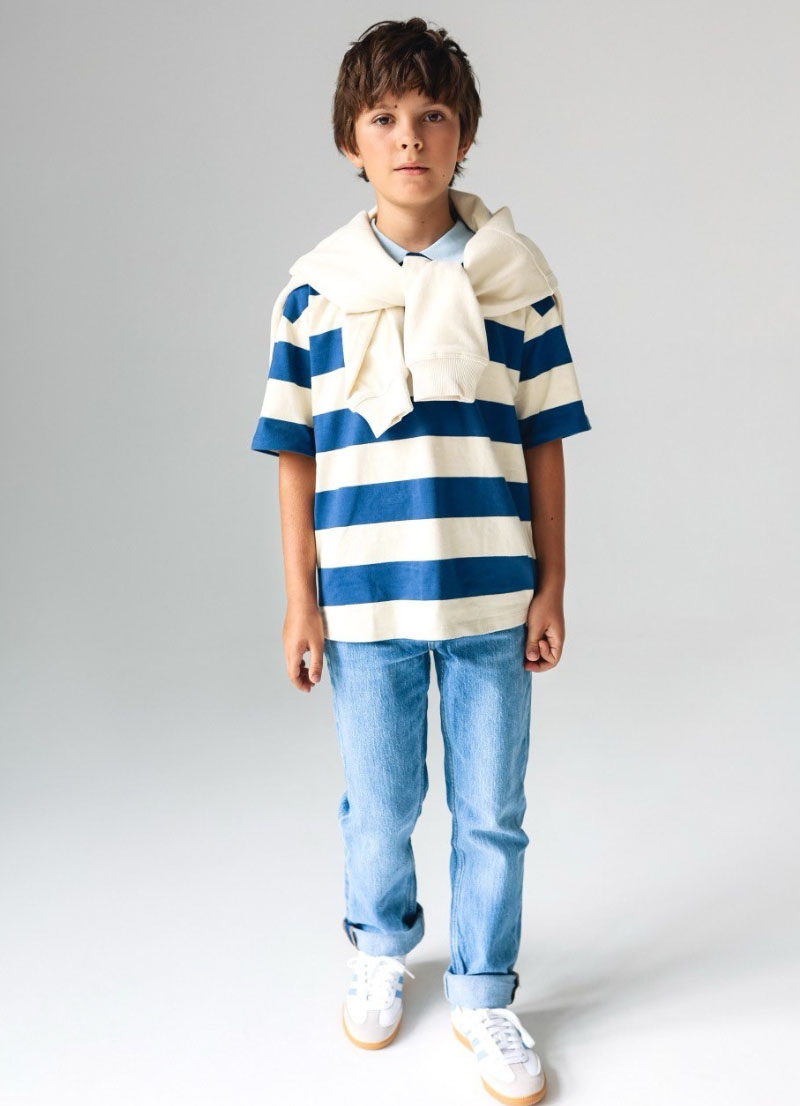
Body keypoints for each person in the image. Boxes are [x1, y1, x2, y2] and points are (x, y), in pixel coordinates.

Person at [250, 17, 592, 1105]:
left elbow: (544, 439)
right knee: (379, 800)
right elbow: (295, 451)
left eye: (433, 116)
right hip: (363, 602)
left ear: (463, 134)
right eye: (386, 117)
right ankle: (381, 946)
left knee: (491, 809)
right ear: (350, 140)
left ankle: (485, 991)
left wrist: (552, 582)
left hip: (491, 594)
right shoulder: (312, 293)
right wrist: (300, 602)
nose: (410, 137)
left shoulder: (516, 284)